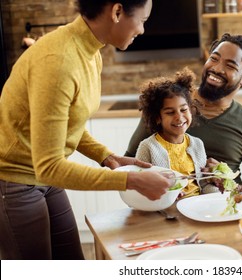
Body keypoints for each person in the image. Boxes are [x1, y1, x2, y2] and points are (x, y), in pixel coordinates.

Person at [0, 0, 172, 260]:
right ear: (116, 12)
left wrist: (106, 157)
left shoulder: (90, 52)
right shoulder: (59, 61)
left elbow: (68, 123)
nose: (142, 30)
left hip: (44, 177)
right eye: (143, 20)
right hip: (15, 179)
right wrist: (130, 180)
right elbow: (49, 166)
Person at [125, 33, 242, 186]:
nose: (217, 68)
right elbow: (129, 164)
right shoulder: (166, 104)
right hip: (166, 205)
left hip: (220, 207)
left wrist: (228, 181)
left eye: (230, 65)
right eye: (214, 58)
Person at [135, 67, 209, 198]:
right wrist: (168, 194)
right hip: (166, 209)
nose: (179, 117)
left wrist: (223, 185)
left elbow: (204, 185)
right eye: (170, 112)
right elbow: (139, 188)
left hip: (197, 204)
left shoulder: (197, 144)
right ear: (157, 117)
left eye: (183, 110)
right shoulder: (147, 147)